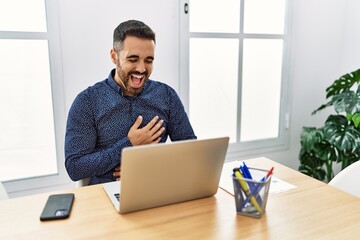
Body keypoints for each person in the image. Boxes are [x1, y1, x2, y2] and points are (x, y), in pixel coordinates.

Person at [65, 20, 196, 185]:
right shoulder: (87, 102)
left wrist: (150, 167)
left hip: (157, 186)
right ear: (114, 56)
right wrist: (129, 144)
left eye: (148, 60)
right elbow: (75, 167)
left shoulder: (166, 95)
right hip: (107, 193)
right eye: (133, 59)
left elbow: (191, 152)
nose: (141, 69)